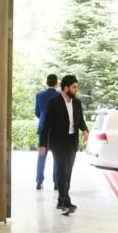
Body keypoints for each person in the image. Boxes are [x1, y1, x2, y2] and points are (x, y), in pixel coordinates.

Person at [38, 75, 88, 215]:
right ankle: (66, 202)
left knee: (68, 172)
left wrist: (85, 130)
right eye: (74, 87)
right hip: (58, 142)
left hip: (72, 142)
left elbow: (80, 121)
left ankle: (61, 201)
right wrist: (42, 143)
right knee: (62, 171)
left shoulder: (77, 103)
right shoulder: (53, 102)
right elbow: (45, 125)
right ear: (66, 88)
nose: (76, 89)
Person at [34, 74, 59, 190]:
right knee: (57, 157)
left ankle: (39, 182)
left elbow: (37, 113)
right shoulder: (60, 96)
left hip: (43, 128)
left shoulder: (39, 96)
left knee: (41, 156)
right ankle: (56, 183)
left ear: (46, 83)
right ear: (56, 83)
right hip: (56, 130)